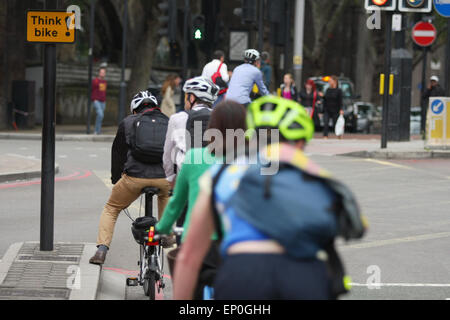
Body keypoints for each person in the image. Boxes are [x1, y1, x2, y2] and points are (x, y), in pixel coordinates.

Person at [172, 96, 367, 300]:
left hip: (243, 275)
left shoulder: (224, 173)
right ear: (300, 142)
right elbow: (354, 224)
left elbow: (189, 257)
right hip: (305, 277)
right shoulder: (313, 176)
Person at [156, 100, 247, 299]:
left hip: (196, 242)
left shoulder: (193, 157)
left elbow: (176, 203)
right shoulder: (249, 162)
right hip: (233, 244)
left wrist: (162, 228)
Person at [89, 91, 172, 265]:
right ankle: (166, 236)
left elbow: (118, 154)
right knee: (165, 196)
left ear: (135, 109)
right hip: (163, 178)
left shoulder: (128, 122)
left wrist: (115, 178)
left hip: (134, 178)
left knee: (111, 208)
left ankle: (101, 250)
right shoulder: (169, 122)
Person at [163, 76, 219, 187]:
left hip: (187, 177)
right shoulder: (220, 116)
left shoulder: (177, 118)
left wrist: (170, 178)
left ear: (192, 98)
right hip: (213, 176)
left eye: (186, 96)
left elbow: (167, 154)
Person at [91, 67, 108, 135]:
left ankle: (98, 131)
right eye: (101, 72)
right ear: (99, 73)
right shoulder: (95, 81)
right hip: (96, 100)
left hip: (103, 101)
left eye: (104, 72)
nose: (102, 74)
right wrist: (94, 99)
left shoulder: (105, 82)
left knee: (100, 116)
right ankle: (96, 130)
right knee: (100, 114)